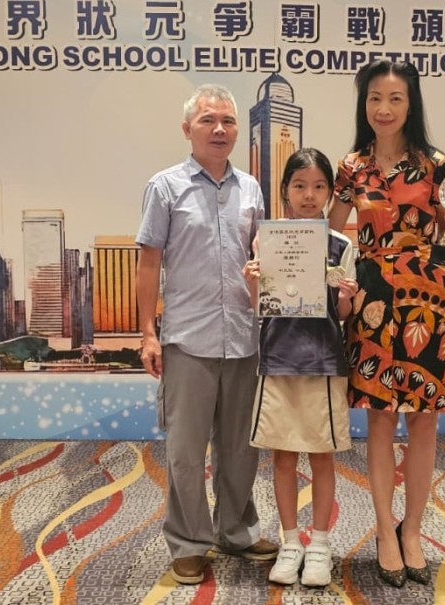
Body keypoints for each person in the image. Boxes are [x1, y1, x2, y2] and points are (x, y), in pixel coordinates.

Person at [328, 60, 445, 588]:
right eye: (375, 98)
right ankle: (383, 531)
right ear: (363, 103)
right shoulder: (352, 167)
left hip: (429, 297)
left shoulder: (437, 165)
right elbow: (333, 235)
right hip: (372, 300)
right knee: (380, 419)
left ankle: (411, 529)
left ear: (411, 104)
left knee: (425, 419)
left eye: (395, 98)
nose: (384, 108)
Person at [135, 84, 279, 585]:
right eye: (208, 120)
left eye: (228, 121)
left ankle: (236, 531)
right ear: (187, 129)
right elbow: (148, 263)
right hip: (187, 339)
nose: (219, 130)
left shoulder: (252, 188)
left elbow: (263, 257)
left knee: (241, 448)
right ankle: (189, 542)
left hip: (243, 335)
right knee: (186, 451)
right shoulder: (165, 187)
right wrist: (148, 333)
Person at [241, 148, 358, 587]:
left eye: (319, 186)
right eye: (300, 186)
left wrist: (346, 296)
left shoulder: (341, 244)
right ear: (285, 191)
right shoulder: (267, 239)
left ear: (329, 192)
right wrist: (251, 281)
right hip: (278, 358)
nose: (309, 195)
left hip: (323, 361)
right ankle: (290, 542)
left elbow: (342, 314)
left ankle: (320, 543)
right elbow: (260, 307)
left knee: (322, 457)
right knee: (283, 457)